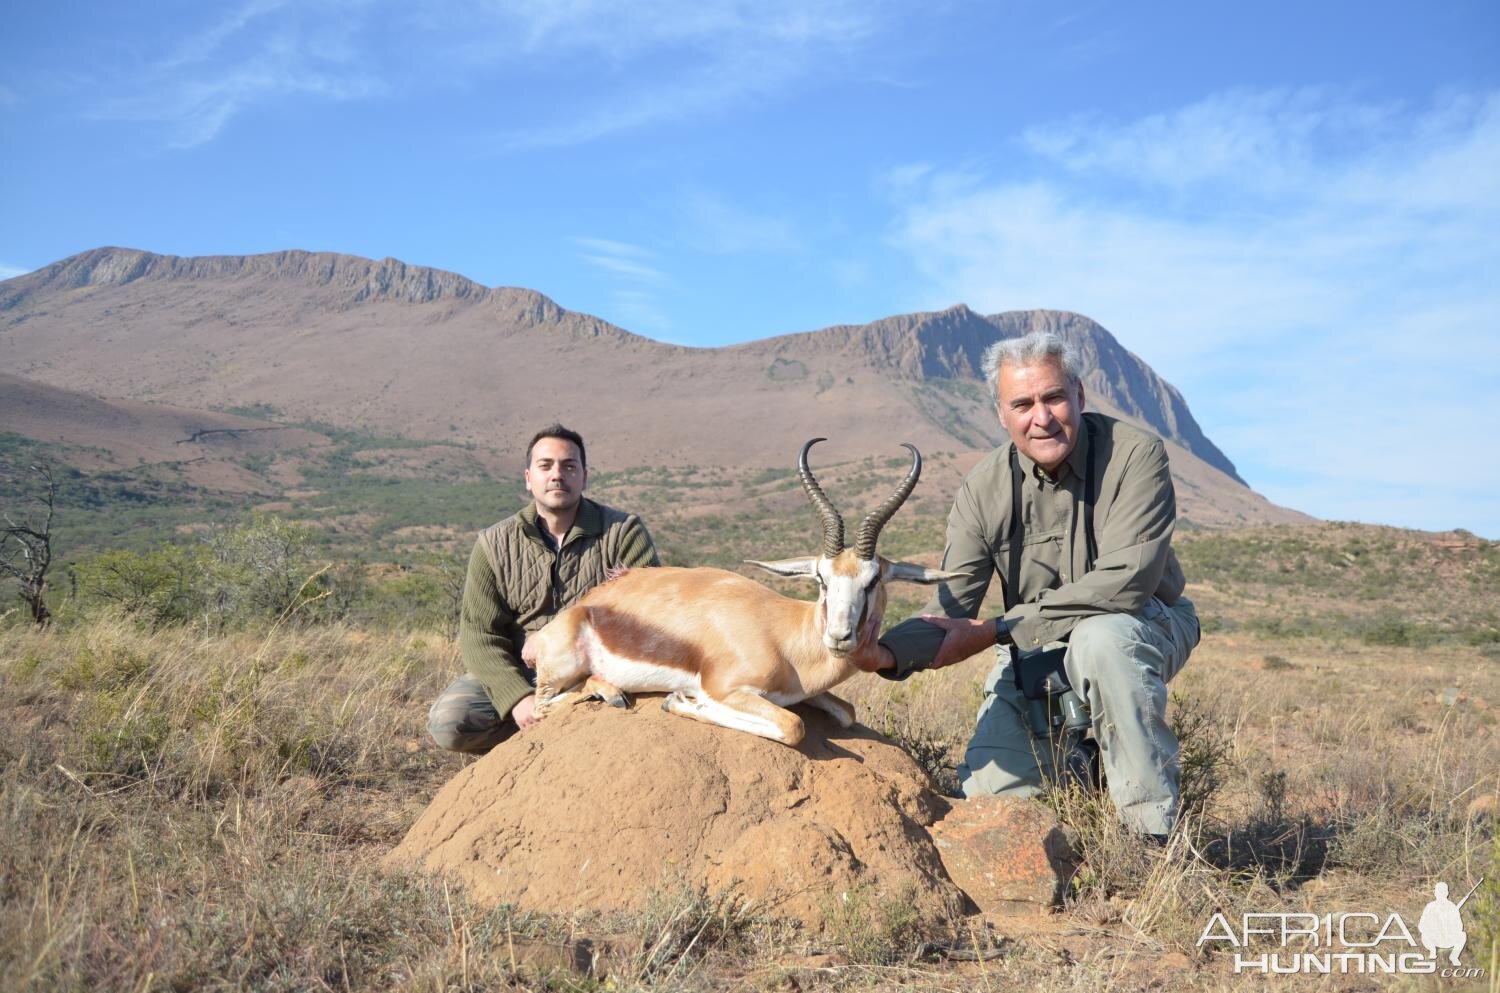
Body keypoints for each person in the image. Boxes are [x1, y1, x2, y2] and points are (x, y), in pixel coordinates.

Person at [867, 331, 1200, 838]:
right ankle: (1080, 768)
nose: (1040, 418)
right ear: (1002, 415)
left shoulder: (1136, 455)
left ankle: (1149, 837)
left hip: (1142, 623)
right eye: (1022, 404)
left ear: (1080, 395)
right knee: (988, 799)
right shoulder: (982, 489)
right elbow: (951, 608)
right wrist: (880, 653)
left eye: (1053, 397)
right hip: (1032, 648)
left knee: (1101, 639)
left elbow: (1128, 582)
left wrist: (1002, 627)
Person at [428, 424, 659, 753]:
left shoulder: (623, 532)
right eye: (545, 465)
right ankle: (534, 754)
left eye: (568, 466)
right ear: (528, 477)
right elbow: (479, 635)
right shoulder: (494, 543)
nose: (557, 475)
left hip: (602, 667)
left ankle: (584, 738)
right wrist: (517, 698)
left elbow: (650, 607)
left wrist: (557, 629)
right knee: (451, 723)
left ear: (584, 476)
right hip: (525, 673)